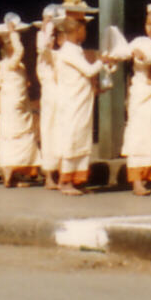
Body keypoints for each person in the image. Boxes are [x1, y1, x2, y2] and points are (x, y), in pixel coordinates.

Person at [114, 3, 151, 196]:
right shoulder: (138, 42)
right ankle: (138, 181)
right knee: (139, 136)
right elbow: (119, 53)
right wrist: (132, 53)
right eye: (149, 24)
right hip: (142, 95)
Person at [51, 16, 106, 193]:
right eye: (83, 29)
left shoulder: (76, 49)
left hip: (81, 102)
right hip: (71, 104)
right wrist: (102, 61)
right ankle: (65, 181)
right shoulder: (68, 51)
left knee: (82, 139)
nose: (85, 33)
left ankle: (77, 179)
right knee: (71, 140)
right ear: (76, 31)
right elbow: (89, 70)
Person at [0, 15, 41, 187]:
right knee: (15, 135)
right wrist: (13, 33)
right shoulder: (9, 63)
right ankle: (11, 173)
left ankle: (13, 174)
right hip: (14, 104)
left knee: (12, 136)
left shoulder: (15, 65)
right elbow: (19, 51)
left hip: (17, 103)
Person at [35, 4, 65, 191]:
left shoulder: (63, 54)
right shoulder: (44, 56)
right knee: (48, 134)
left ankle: (64, 174)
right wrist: (45, 29)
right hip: (50, 100)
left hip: (64, 100)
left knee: (63, 136)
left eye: (55, 36)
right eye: (50, 36)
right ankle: (48, 176)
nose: (52, 40)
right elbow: (42, 47)